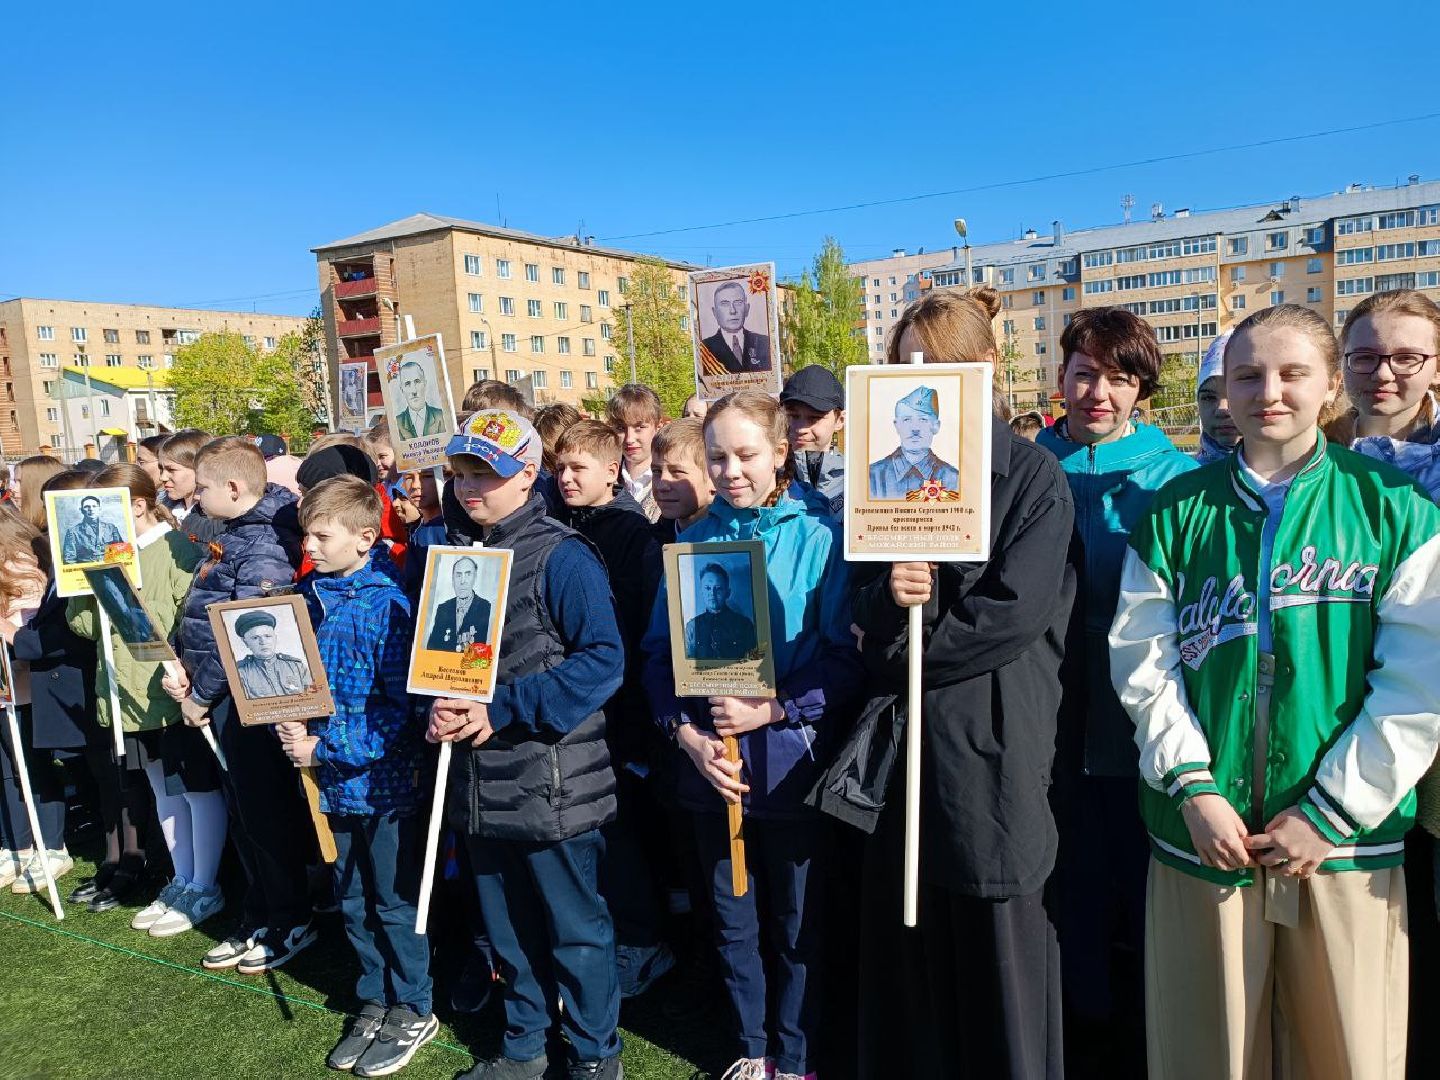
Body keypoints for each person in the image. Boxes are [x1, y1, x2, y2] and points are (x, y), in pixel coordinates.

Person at [1109, 304, 1440, 1079]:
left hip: (1345, 842)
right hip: (1204, 835)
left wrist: (1332, 810)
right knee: (1208, 1055)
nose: (1270, 392)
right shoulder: (1174, 513)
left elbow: (1418, 681)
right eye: (1249, 375)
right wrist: (1192, 788)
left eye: (1293, 373)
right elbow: (1142, 663)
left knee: (1350, 1053)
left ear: (1330, 385)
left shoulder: (1394, 511)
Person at [823, 285, 1077, 1078]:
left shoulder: (1034, 478)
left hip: (990, 733)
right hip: (908, 744)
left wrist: (901, 648)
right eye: (905, 371)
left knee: (996, 929)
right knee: (913, 934)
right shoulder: (886, 472)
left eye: (941, 371)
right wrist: (884, 597)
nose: (919, 389)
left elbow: (1011, 613)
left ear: (988, 370)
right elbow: (862, 600)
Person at [643, 390, 863, 1080]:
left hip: (790, 770)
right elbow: (657, 657)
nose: (732, 470)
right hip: (715, 773)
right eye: (718, 457)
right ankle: (752, 1049)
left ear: (780, 453)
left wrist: (772, 710)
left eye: (746, 454)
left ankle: (795, 1055)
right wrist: (688, 736)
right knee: (733, 919)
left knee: (797, 923)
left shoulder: (821, 536)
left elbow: (846, 661)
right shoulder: (691, 542)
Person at [427, 408, 626, 1080]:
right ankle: (525, 1047)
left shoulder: (564, 556)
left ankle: (597, 1058)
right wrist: (438, 712)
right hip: (480, 785)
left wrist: (502, 708)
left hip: (553, 785)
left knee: (575, 933)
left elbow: (604, 660)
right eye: (460, 472)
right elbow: (443, 669)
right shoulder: (454, 558)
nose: (469, 485)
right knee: (507, 932)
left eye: (486, 471)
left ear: (527, 476)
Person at [1034, 305, 1197, 1074]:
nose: (1100, 391)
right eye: (1086, 372)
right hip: (1049, 722)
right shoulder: (1025, 470)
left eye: (1121, 377)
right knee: (1070, 892)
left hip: (1147, 727)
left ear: (1143, 391)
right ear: (1061, 376)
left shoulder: (1181, 479)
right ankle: (1081, 1030)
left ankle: (1147, 1033)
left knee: (1146, 893)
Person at [276, 475, 437, 1077]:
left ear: (365, 537)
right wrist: (289, 728)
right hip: (329, 783)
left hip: (384, 786)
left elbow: (398, 713)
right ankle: (376, 995)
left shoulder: (389, 606)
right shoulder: (308, 598)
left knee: (393, 901)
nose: (309, 546)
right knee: (350, 897)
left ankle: (414, 1003)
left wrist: (327, 746)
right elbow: (291, 682)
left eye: (322, 534)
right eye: (306, 534)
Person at [161, 436, 314, 975]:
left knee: (265, 813)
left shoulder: (266, 543)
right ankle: (260, 910)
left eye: (201, 487)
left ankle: (289, 915)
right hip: (218, 694)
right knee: (248, 812)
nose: (195, 497)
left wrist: (203, 694)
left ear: (233, 487)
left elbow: (246, 633)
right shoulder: (234, 532)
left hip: (246, 700)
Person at [67, 463, 226, 938]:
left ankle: (206, 883)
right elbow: (84, 628)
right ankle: (182, 878)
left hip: (172, 693)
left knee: (196, 789)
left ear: (136, 505)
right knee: (161, 789)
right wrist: (88, 588)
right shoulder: (104, 553)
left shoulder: (177, 549)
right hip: (126, 695)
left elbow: (188, 624)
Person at [552, 419, 673, 998]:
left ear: (612, 470)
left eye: (579, 468)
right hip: (578, 703)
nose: (568, 478)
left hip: (620, 705)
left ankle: (644, 940)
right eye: (561, 467)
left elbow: (642, 623)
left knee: (624, 829)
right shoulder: (554, 527)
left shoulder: (631, 533)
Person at [0, 506, 74, 895]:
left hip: (23, 687)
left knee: (31, 768)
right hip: (5, 690)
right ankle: (16, 843)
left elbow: (30, 632)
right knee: (6, 771)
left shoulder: (23, 566)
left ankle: (53, 845)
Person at [1339, 289, 1440, 496]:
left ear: (1437, 370)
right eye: (1364, 357)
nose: (1382, 374)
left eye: (1406, 358)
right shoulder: (1309, 450)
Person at [866, 385, 961, 499]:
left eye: (923, 419)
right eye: (907, 419)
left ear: (936, 426)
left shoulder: (953, 480)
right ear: (897, 426)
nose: (915, 428)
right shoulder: (872, 477)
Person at [780, 365, 846, 517]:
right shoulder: (766, 477)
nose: (801, 428)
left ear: (839, 420)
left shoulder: (857, 483)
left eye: (814, 418)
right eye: (793, 416)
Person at [650, 418, 716, 545]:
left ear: (713, 478)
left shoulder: (735, 543)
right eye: (656, 471)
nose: (662, 485)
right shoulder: (651, 542)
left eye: (677, 472)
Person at [606, 384, 663, 522]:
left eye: (639, 427)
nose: (629, 438)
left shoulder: (670, 480)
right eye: (621, 428)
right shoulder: (604, 478)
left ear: (658, 427)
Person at [157, 429, 224, 546]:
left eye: (171, 469)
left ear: (200, 470)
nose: (162, 477)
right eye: (161, 468)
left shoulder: (216, 522)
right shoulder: (163, 511)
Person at [232, 609, 312, 699]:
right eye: (255, 638)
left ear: (275, 638)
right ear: (245, 642)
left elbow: (313, 699)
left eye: (267, 636)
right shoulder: (240, 673)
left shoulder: (297, 666)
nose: (263, 642)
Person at [683, 563, 757, 660]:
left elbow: (753, 664)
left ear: (728, 593)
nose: (712, 594)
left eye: (718, 588)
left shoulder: (744, 625)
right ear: (702, 591)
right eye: (708, 588)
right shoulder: (692, 627)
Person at [700, 281, 772, 373]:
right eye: (725, 304)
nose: (732, 311)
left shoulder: (765, 343)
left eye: (738, 302)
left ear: (747, 309)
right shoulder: (705, 349)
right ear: (715, 312)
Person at [423, 556, 492, 653]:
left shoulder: (487, 608)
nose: (462, 581)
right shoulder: (443, 608)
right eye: (458, 575)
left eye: (468, 574)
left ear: (475, 577)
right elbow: (432, 649)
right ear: (453, 579)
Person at [1195, 331, 1239, 464]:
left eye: (1234, 395)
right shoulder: (1186, 478)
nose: (1222, 409)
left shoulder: (1290, 478)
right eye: (1209, 398)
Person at [61, 493, 124, 564]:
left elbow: (121, 554)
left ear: (99, 509)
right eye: (87, 507)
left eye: (94, 506)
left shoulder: (111, 528)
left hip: (112, 570)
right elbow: (69, 560)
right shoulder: (73, 532)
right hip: (86, 572)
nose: (91, 509)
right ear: (81, 510)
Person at [395, 360, 446, 441]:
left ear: (425, 384)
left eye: (417, 381)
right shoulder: (397, 423)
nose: (414, 391)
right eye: (407, 384)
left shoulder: (441, 416)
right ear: (402, 389)